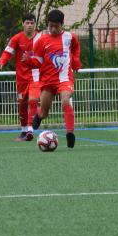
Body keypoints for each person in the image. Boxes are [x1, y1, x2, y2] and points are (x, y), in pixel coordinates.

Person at [24, 9, 81, 148]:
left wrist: (76, 62)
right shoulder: (41, 41)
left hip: (64, 79)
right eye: (51, 26)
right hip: (47, 81)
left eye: (56, 26)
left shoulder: (70, 37)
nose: (53, 29)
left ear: (62, 24)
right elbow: (38, 62)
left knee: (66, 100)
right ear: (47, 24)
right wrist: (28, 61)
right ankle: (39, 116)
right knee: (44, 112)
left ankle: (70, 133)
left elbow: (76, 48)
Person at [0, 13, 41, 141]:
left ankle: (30, 130)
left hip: (36, 76)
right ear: (22, 24)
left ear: (35, 24)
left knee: (33, 100)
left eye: (32, 23)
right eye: (27, 23)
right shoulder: (16, 38)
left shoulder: (41, 38)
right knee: (22, 104)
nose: (29, 25)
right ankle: (23, 131)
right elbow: (7, 51)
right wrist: (1, 61)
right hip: (21, 78)